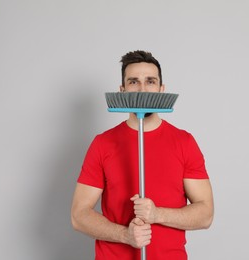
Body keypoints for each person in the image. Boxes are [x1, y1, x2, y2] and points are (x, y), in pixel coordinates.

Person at [71, 50, 214, 260]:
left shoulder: (184, 142)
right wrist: (124, 235)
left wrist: (157, 214)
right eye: (133, 82)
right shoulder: (103, 143)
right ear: (122, 90)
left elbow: (205, 214)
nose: (143, 88)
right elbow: (79, 215)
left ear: (161, 89)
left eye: (150, 81)